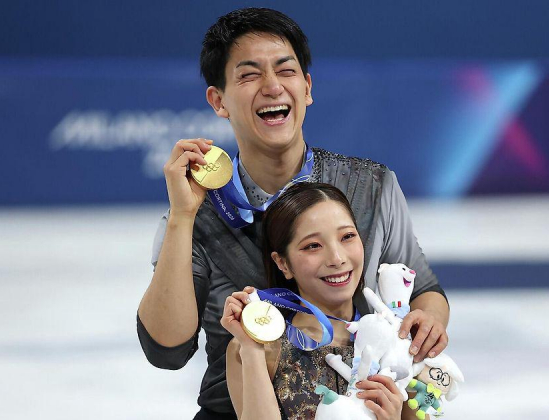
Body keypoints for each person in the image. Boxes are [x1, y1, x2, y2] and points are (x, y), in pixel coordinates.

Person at [136, 7, 450, 420]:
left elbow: (423, 290)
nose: (272, 87)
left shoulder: (372, 187)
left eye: (285, 70)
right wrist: (182, 217)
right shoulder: (197, 211)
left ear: (307, 87)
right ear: (218, 100)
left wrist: (426, 323)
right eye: (249, 75)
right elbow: (166, 349)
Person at [222, 182, 414, 420]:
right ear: (283, 263)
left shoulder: (398, 345)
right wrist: (251, 347)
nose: (337, 258)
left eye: (347, 237)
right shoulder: (259, 350)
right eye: (313, 246)